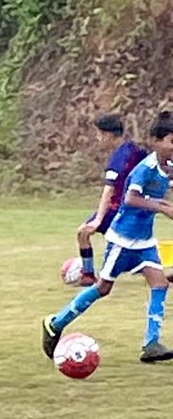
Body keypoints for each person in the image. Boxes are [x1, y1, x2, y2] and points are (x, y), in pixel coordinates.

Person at [44, 112, 173, 363]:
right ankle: (55, 323)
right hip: (123, 238)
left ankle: (151, 344)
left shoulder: (169, 166)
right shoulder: (144, 170)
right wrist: (162, 207)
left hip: (144, 240)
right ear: (155, 141)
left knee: (160, 284)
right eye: (171, 141)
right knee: (103, 288)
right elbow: (130, 199)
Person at [75, 114, 148, 285]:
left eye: (99, 134)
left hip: (116, 209)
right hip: (134, 208)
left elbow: (109, 190)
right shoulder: (135, 150)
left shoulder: (119, 158)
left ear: (108, 135)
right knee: (133, 248)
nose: (97, 138)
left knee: (83, 232)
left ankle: (88, 274)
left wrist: (98, 220)